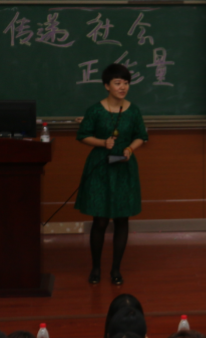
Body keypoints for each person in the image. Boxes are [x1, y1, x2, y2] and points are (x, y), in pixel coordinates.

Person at [75, 63, 148, 285]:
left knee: (122, 219)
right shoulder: (95, 110)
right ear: (107, 86)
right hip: (100, 167)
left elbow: (141, 136)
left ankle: (116, 269)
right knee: (99, 220)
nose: (123, 87)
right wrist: (102, 142)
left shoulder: (133, 110)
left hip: (124, 167)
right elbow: (83, 135)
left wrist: (130, 149)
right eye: (118, 83)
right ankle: (96, 267)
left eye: (126, 83)